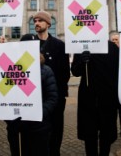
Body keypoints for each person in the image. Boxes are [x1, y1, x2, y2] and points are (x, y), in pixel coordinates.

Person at [5, 34, 58, 156]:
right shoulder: (10, 70)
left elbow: (52, 98)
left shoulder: (46, 70)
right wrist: (10, 119)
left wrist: (38, 114)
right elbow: (3, 99)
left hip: (39, 127)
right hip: (16, 127)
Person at [71, 41, 119, 156]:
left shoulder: (112, 47)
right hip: (88, 99)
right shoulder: (81, 47)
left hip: (108, 98)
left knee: (106, 135)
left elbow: (119, 71)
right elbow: (75, 71)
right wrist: (82, 61)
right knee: (89, 135)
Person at [32, 11, 71, 156]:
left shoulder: (60, 46)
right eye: (35, 20)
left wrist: (55, 95)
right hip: (34, 99)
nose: (36, 23)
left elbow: (65, 74)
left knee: (55, 136)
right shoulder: (29, 44)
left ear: (48, 24)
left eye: (40, 20)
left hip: (55, 100)